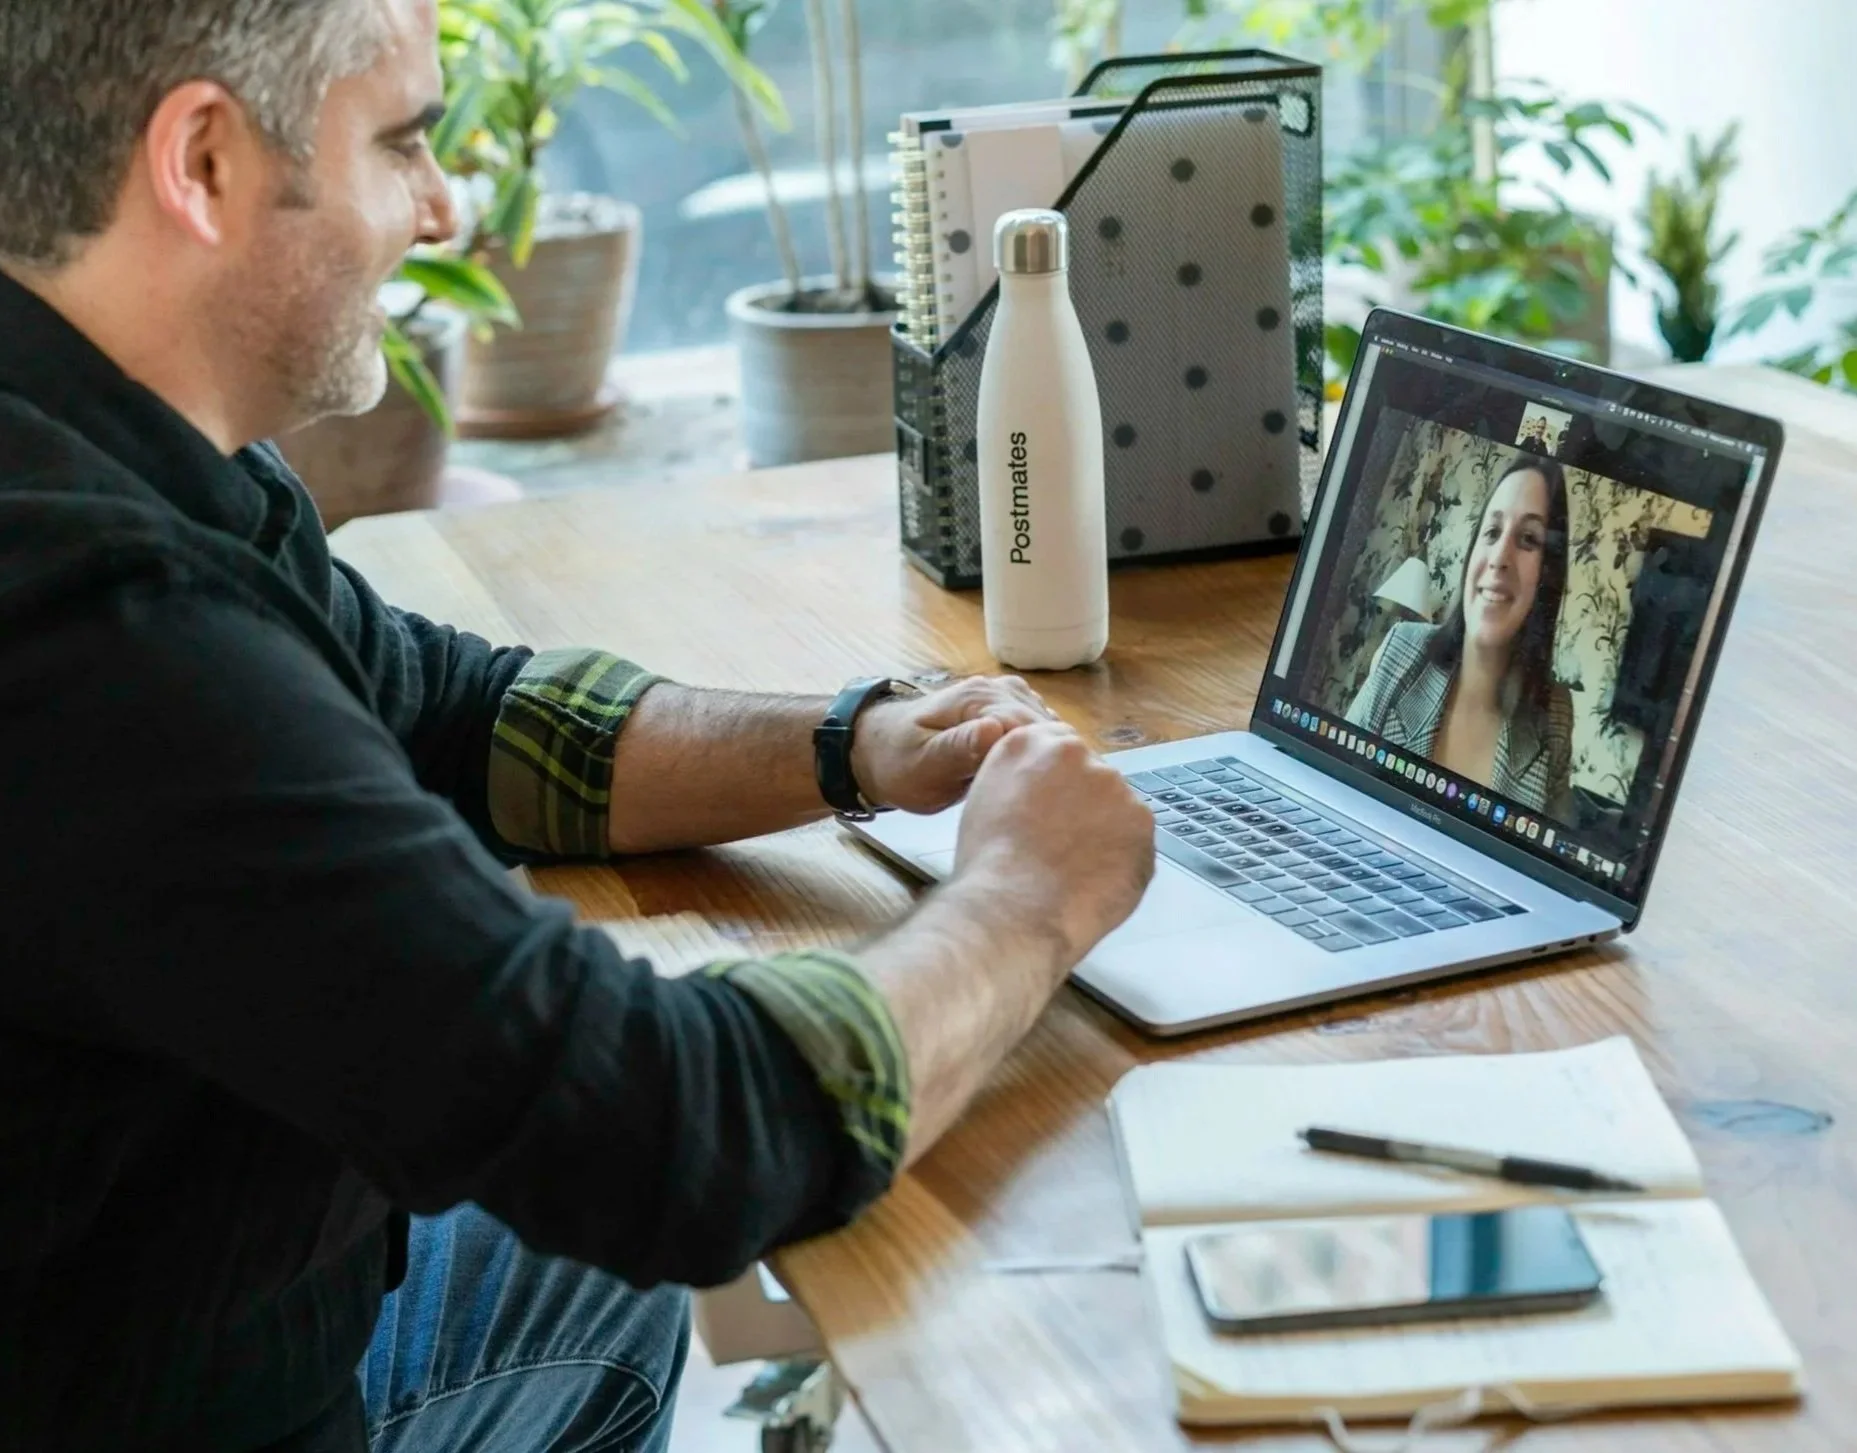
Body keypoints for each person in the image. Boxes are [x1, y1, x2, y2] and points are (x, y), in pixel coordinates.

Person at [0, 4, 1157, 1451]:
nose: (445, 207)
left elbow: (446, 710)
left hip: (158, 1300)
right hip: (167, 1398)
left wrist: (855, 739)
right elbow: (675, 1137)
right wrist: (1029, 899)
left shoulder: (121, 455)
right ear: (205, 162)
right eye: (404, 143)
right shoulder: (110, 634)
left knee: (588, 1282)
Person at [1344, 457, 1574, 817]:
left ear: (1548, 575)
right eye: (1492, 532)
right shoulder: (1401, 650)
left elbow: (1547, 862)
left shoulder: (1554, 715)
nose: (1500, 557)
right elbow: (1332, 782)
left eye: (1529, 539)